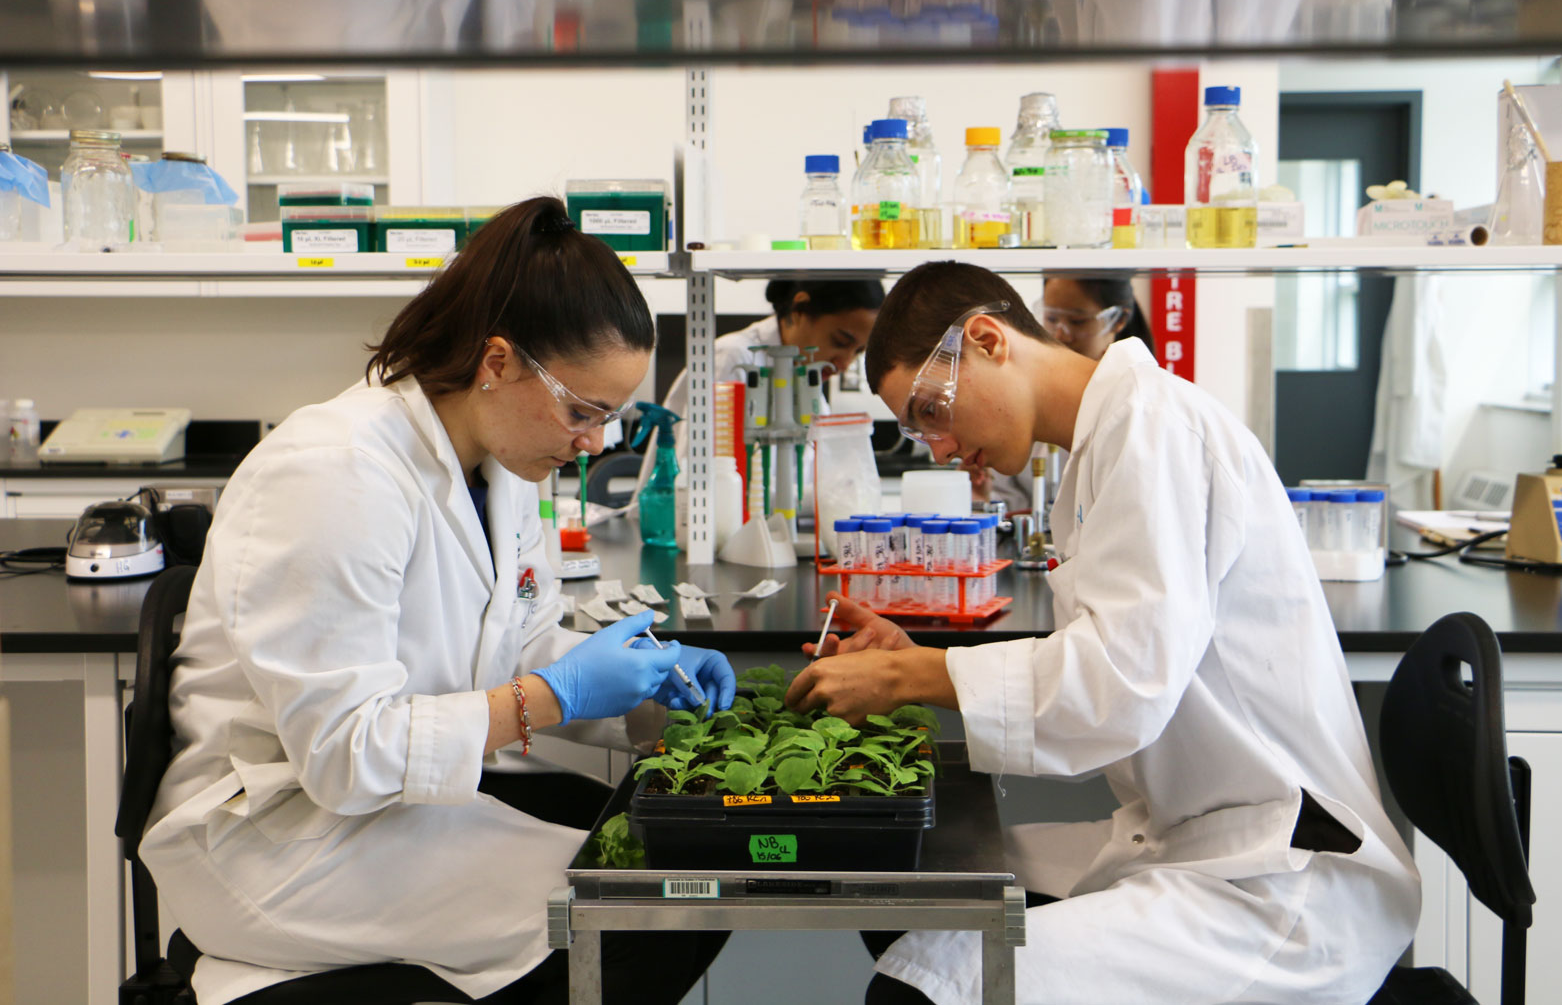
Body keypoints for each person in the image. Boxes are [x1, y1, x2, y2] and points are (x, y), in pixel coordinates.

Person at [140, 197, 735, 1005]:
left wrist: (643, 686)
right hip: (283, 839)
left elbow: (515, 646)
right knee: (638, 914)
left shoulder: (502, 466)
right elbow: (347, 753)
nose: (593, 443)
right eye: (582, 410)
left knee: (668, 866)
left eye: (610, 417)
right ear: (497, 361)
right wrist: (550, 697)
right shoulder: (334, 472)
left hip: (387, 807)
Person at [787, 261, 1420, 1005]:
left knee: (925, 988)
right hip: (1196, 835)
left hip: (1281, 877)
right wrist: (918, 660)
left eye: (931, 410)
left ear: (987, 340)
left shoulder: (1156, 431)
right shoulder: (1107, 445)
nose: (940, 447)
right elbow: (1111, 660)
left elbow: (1123, 684)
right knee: (917, 894)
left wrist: (911, 677)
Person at [633, 278, 884, 503]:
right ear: (800, 309)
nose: (845, 363)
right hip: (696, 530)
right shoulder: (734, 358)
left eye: (858, 351)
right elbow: (703, 477)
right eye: (840, 342)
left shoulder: (807, 372)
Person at [978, 273, 1155, 513]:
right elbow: (1007, 496)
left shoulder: (1136, 406)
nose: (1061, 334)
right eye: (1051, 318)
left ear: (1118, 319)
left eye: (1078, 321)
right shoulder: (1025, 391)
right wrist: (983, 493)